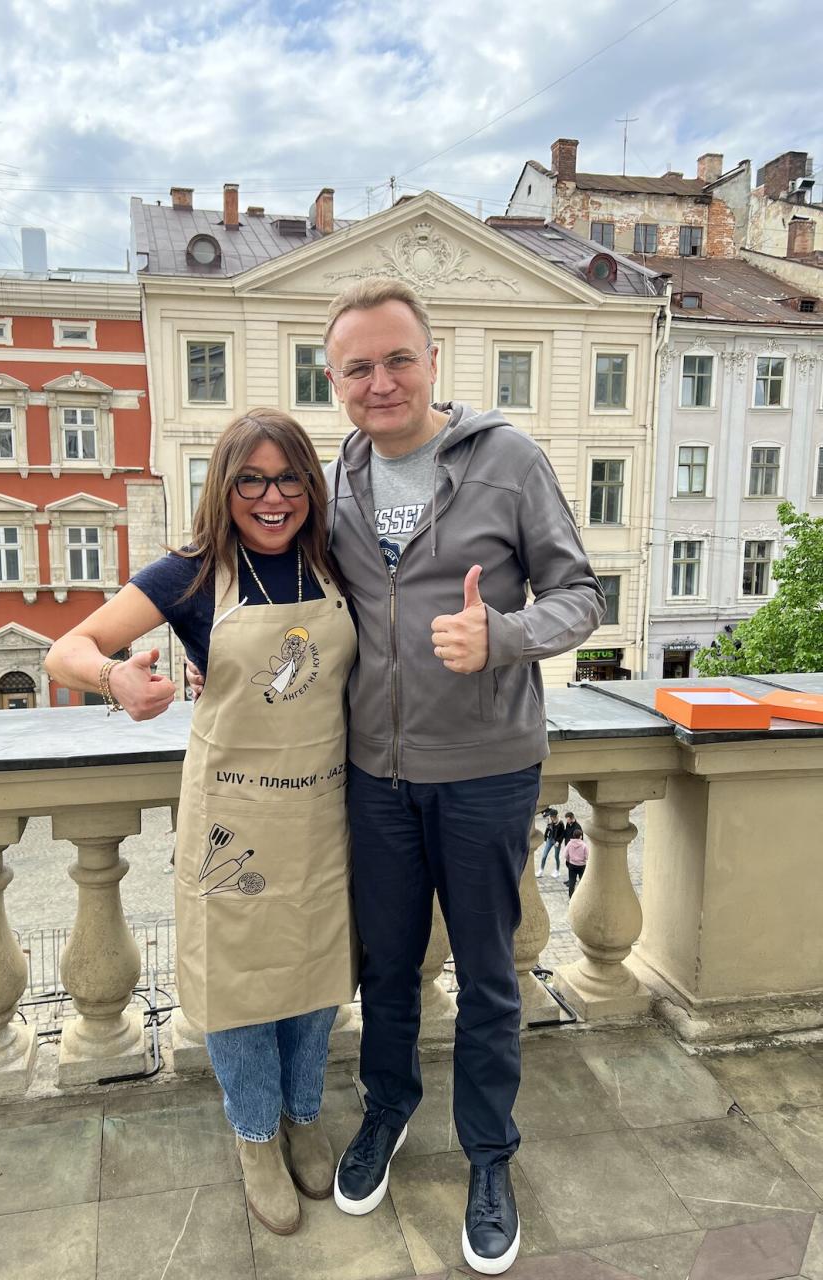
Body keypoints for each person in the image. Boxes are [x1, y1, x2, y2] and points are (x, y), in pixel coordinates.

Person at [321, 277, 604, 1276]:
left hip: (486, 769)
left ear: (433, 361)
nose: (381, 380)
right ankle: (388, 1107)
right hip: (375, 774)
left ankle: (491, 1155)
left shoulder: (506, 459)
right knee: (385, 967)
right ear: (335, 379)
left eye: (398, 358)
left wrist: (505, 634)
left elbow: (581, 594)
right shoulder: (340, 477)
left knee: (488, 977)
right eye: (358, 366)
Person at [45, 409, 357, 1238]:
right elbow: (65, 647)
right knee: (239, 986)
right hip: (237, 818)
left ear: (310, 487)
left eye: (288, 477)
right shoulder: (189, 574)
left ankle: (302, 1112)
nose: (272, 496)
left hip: (325, 809)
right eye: (250, 478)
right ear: (223, 488)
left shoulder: (335, 561)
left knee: (317, 975)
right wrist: (116, 678)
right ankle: (256, 1134)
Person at [537, 808, 565, 879]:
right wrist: (545, 837)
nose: (551, 818)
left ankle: (557, 871)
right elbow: (547, 829)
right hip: (550, 839)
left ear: (555, 816)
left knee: (556, 856)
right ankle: (541, 870)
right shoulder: (550, 821)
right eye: (550, 816)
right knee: (544, 855)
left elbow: (562, 834)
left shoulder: (560, 823)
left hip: (556, 842)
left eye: (552, 816)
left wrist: (558, 842)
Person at [564, 830, 589, 899]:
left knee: (572, 881)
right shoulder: (584, 845)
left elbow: (565, 854)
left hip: (572, 865)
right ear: (580, 836)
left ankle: (571, 898)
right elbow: (587, 856)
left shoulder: (569, 844)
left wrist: (569, 860)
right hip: (582, 866)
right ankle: (583, 896)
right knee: (583, 881)